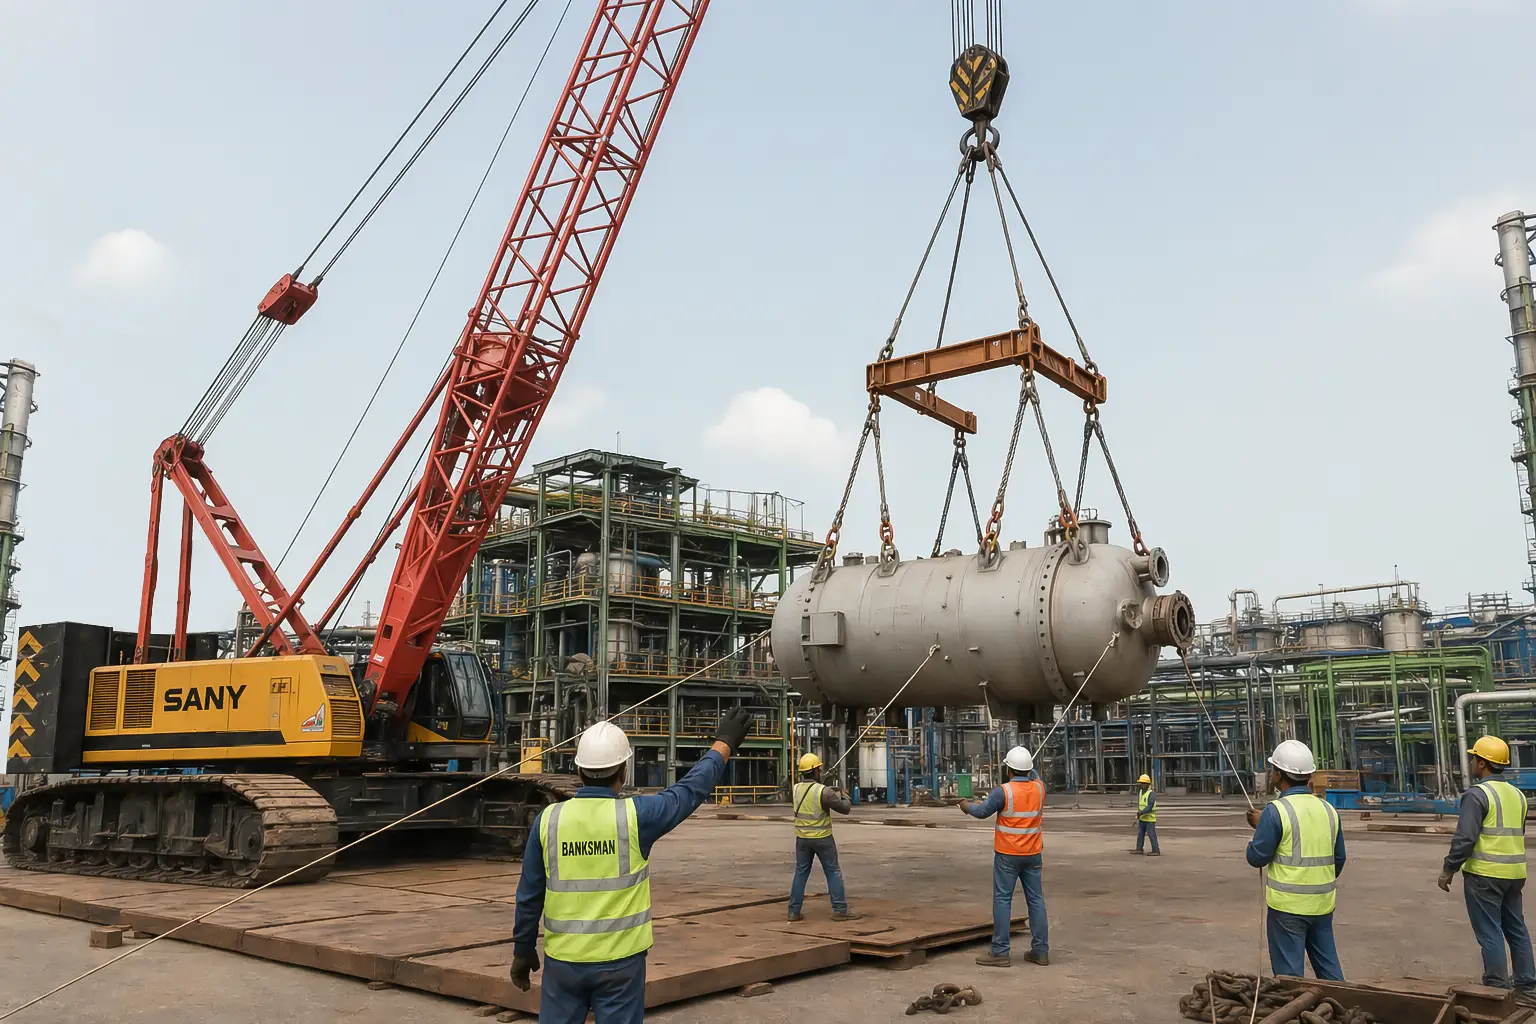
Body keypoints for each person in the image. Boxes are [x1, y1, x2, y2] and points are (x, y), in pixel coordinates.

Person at [508, 707, 754, 1023]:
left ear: (579, 771)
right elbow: (688, 791)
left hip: (563, 965)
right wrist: (723, 746)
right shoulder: (637, 817)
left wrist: (522, 949)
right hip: (620, 967)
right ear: (624, 771)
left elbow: (529, 896)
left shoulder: (548, 821)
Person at [1437, 735, 1536, 1005]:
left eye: (1473, 757)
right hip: (1515, 874)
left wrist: (1449, 868)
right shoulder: (1518, 795)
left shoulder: (1477, 795)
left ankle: (1496, 990)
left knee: (1490, 932)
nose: (1470, 761)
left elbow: (1465, 838)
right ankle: (1528, 990)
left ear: (1482, 763)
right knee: (1516, 929)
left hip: (1485, 875)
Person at [1244, 739, 1346, 981]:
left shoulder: (1276, 810)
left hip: (1287, 908)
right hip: (1322, 905)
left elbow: (1256, 857)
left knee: (1289, 978)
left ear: (1278, 775)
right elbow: (1339, 858)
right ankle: (1344, 1009)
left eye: (1272, 770)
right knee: (1329, 968)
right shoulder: (1328, 809)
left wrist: (1261, 829)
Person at [959, 745, 1049, 968]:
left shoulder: (1003, 792)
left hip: (1007, 855)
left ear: (1007, 770)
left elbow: (981, 812)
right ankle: (1040, 951)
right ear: (1028, 769)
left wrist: (965, 806)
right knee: (1036, 901)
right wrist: (1027, 766)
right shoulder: (1039, 789)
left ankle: (1000, 952)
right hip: (1033, 854)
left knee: (1002, 900)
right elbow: (1033, 774)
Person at [786, 751, 860, 922]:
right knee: (833, 871)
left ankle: (793, 912)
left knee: (800, 873)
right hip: (822, 838)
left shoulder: (795, 789)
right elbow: (845, 808)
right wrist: (843, 794)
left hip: (802, 839)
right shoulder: (824, 791)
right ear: (816, 771)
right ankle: (840, 909)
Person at [1131, 773, 1161, 856]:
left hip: (1150, 819)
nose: (1140, 785)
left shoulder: (1151, 794)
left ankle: (1156, 850)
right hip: (1142, 818)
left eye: (1142, 784)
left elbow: (1150, 806)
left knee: (1151, 835)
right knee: (1140, 834)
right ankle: (1139, 849)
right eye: (1140, 783)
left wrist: (1141, 813)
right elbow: (1141, 804)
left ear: (1147, 784)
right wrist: (1138, 814)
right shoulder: (1141, 792)